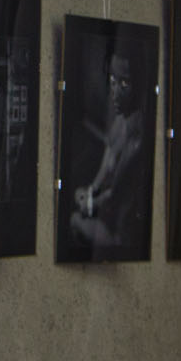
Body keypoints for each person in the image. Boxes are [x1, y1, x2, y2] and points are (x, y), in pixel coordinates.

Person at [70, 46, 146, 253]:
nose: (115, 93)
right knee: (77, 195)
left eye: (124, 84)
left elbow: (115, 195)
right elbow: (109, 151)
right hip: (109, 204)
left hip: (121, 233)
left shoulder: (138, 139)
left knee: (74, 220)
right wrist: (92, 190)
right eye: (113, 80)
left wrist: (91, 204)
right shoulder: (122, 118)